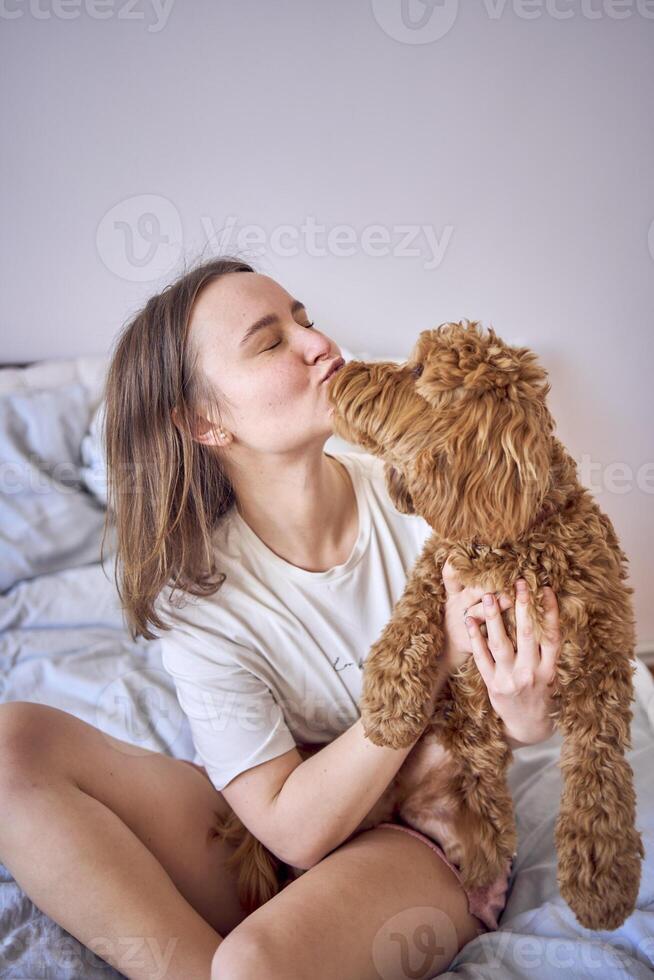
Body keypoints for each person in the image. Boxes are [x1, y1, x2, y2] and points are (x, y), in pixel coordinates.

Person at [0, 256, 561, 980]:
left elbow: (524, 715)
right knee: (15, 743)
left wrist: (526, 711)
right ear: (203, 421)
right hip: (272, 825)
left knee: (252, 969)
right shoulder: (198, 590)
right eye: (270, 342)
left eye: (303, 318)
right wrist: (429, 663)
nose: (319, 342)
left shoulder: (422, 497)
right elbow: (290, 828)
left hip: (416, 835)